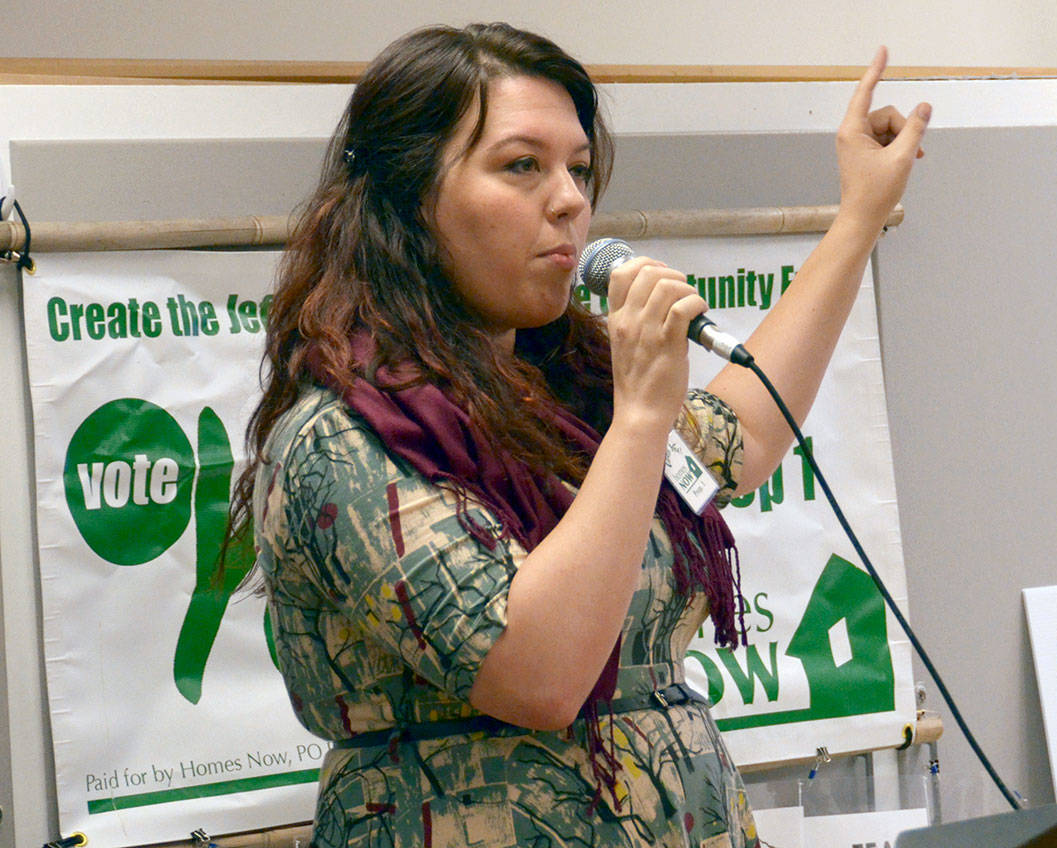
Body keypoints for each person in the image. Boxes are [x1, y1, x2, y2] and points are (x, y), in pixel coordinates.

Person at [228, 20, 928, 848]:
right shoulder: (339, 439)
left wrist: (858, 218)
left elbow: (739, 434)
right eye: (522, 166)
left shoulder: (562, 403)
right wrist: (639, 413)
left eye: (579, 168)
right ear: (407, 200)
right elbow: (542, 674)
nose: (569, 200)